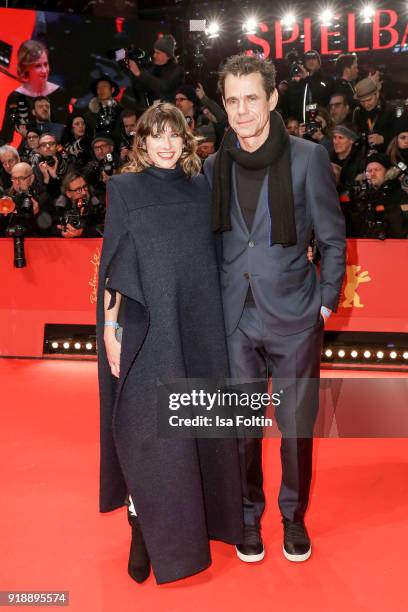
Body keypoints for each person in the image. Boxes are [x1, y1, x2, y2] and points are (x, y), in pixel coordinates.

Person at [204, 54, 346, 563]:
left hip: (294, 318)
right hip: (234, 319)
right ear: (224, 105)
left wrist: (325, 305)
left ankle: (292, 518)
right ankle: (246, 518)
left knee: (295, 429)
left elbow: (332, 238)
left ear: (271, 99)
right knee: (240, 430)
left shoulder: (308, 158)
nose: (242, 111)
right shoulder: (211, 165)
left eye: (251, 99)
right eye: (232, 100)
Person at [97, 102, 243, 585]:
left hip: (200, 329)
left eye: (174, 135)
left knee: (195, 428)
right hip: (148, 329)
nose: (166, 143)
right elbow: (113, 271)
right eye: (156, 135)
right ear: (141, 141)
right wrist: (111, 332)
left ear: (186, 140)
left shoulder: (202, 189)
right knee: (152, 435)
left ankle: (202, 525)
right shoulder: (124, 188)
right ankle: (142, 525)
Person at [0, 40, 68, 144]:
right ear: (25, 68)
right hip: (28, 153)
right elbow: (5, 138)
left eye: (46, 64)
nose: (44, 70)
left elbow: (66, 133)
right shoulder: (15, 98)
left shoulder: (59, 93)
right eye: (38, 66)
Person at [128, 34, 184, 107]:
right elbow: (141, 88)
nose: (154, 55)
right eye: (154, 52)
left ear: (168, 55)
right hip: (153, 111)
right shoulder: (152, 68)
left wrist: (139, 73)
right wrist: (133, 73)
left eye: (158, 53)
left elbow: (164, 87)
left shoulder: (177, 70)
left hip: (170, 111)